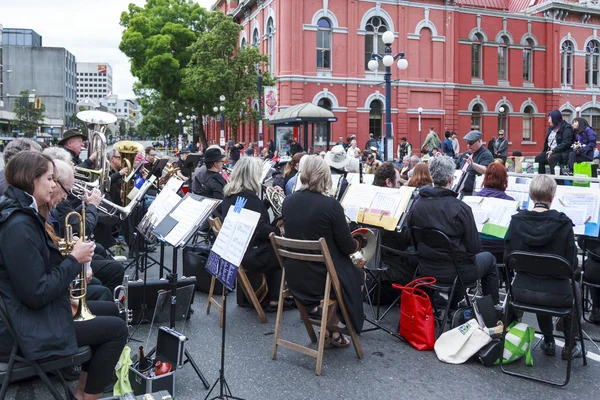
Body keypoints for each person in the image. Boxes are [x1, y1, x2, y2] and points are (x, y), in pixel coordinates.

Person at [0, 151, 128, 400]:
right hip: (23, 329)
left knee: (110, 311)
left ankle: (81, 391)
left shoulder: (23, 214)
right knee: (117, 329)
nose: (53, 185)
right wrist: (73, 260)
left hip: (29, 315)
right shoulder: (18, 225)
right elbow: (36, 294)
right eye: (49, 178)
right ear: (31, 179)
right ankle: (86, 396)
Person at [282, 155, 365, 346]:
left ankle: (329, 331)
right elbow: (348, 247)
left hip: (294, 276)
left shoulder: (289, 201)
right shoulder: (331, 205)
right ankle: (330, 329)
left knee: (346, 272)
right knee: (358, 274)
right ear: (325, 176)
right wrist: (358, 242)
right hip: (322, 279)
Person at [504, 175, 584, 359]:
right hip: (556, 294)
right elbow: (571, 265)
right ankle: (570, 345)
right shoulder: (563, 224)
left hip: (521, 291)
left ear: (531, 196)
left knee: (538, 279)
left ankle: (548, 341)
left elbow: (507, 258)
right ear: (552, 197)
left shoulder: (516, 221)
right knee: (575, 289)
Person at [407, 156, 499, 304]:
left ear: (432, 176)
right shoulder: (460, 208)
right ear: (451, 179)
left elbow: (413, 240)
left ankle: (453, 303)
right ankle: (492, 313)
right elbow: (474, 248)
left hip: (425, 268)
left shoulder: (416, 205)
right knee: (489, 259)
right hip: (457, 272)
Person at [219, 157, 292, 312]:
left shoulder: (235, 194)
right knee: (284, 249)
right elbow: (259, 230)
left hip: (239, 250)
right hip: (252, 254)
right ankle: (274, 299)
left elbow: (248, 217)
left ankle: (260, 295)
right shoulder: (248, 196)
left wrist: (266, 202)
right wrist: (279, 230)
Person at [534, 110, 575, 174]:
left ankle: (557, 181)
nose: (548, 121)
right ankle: (542, 179)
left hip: (562, 152)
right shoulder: (551, 129)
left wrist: (553, 151)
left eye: (549, 118)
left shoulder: (566, 128)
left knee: (552, 159)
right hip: (550, 151)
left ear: (554, 118)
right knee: (538, 158)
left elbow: (566, 143)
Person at [457, 130, 494, 194]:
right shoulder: (467, 153)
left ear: (479, 141)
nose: (468, 145)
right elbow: (456, 164)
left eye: (471, 143)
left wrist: (473, 165)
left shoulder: (486, 154)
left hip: (474, 191)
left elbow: (486, 170)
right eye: (466, 143)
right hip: (460, 189)